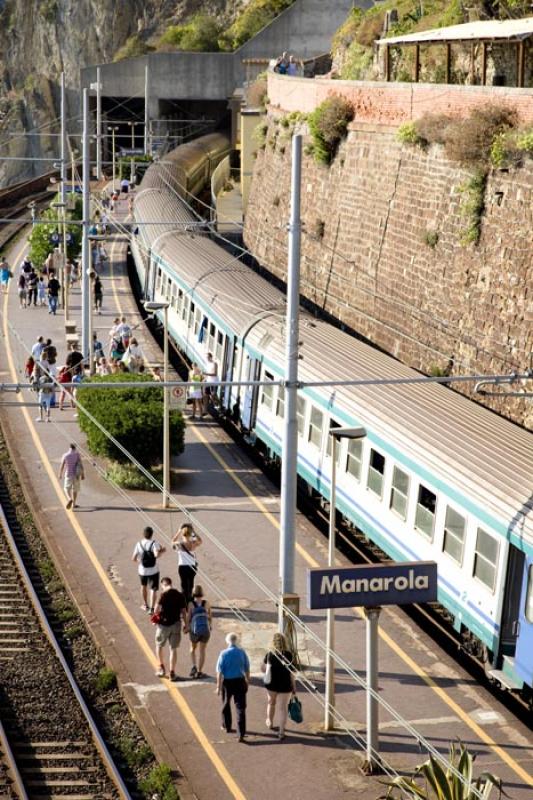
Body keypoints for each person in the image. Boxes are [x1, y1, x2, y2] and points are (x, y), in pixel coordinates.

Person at [216, 632, 250, 742]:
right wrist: (247, 682)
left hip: (227, 682)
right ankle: (241, 733)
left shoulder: (223, 654)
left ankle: (227, 725)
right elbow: (247, 668)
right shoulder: (242, 652)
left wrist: (218, 686)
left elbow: (219, 672)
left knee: (226, 704)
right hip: (240, 681)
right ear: (236, 641)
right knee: (240, 708)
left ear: (227, 641)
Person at [261, 632, 296, 740]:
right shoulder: (289, 655)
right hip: (285, 685)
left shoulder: (270, 655)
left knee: (271, 703)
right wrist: (294, 686)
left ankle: (270, 722)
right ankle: (281, 731)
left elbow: (263, 669)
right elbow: (292, 673)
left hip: (271, 684)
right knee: (283, 708)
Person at [153, 576, 187, 681]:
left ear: (163, 584)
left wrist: (157, 616)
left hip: (163, 625)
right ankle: (172, 672)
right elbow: (183, 611)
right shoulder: (180, 595)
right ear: (171, 583)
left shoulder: (163, 595)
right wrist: (186, 624)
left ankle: (161, 667)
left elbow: (156, 610)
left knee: (159, 645)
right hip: (176, 624)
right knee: (173, 649)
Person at [132, 526, 166, 614]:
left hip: (142, 570)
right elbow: (156, 555)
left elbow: (133, 558)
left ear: (143, 534)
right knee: (153, 589)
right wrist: (162, 551)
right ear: (152, 534)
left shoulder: (139, 544)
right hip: (153, 570)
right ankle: (151, 608)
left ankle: (145, 604)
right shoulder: (154, 543)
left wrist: (141, 561)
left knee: (143, 586)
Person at [172, 523, 202, 603]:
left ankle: (184, 601)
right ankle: (191, 600)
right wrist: (193, 532)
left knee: (184, 585)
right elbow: (200, 541)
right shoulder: (193, 543)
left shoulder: (179, 544)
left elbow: (172, 541)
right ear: (190, 534)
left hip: (182, 567)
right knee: (191, 583)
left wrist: (178, 531)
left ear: (182, 534)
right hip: (192, 566)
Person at [187, 585, 212, 679]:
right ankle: (200, 672)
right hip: (205, 630)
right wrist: (210, 626)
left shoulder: (191, 604)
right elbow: (210, 617)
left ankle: (194, 666)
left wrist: (187, 627)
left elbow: (189, 618)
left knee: (192, 649)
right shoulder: (207, 603)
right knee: (202, 651)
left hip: (194, 631)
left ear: (193, 593)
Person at [58, 443, 84, 509]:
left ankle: (69, 499)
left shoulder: (65, 455)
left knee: (66, 489)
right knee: (75, 490)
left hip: (68, 474)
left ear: (69, 447)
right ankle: (74, 504)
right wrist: (83, 474)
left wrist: (60, 474)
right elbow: (81, 464)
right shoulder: (77, 454)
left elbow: (62, 465)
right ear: (75, 447)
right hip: (77, 475)